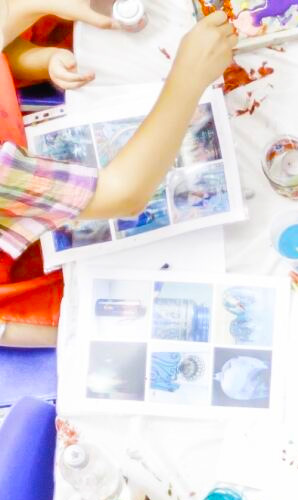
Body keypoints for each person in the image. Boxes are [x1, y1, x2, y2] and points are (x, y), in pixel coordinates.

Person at [0, 11, 235, 346]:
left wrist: (42, 53)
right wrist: (187, 76)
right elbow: (122, 194)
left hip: (44, 150)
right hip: (45, 257)